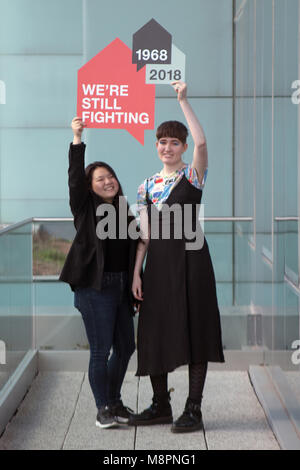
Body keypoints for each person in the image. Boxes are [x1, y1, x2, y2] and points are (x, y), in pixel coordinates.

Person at [130, 81, 225, 433]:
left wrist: (183, 101)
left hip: (193, 262)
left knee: (197, 327)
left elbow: (203, 142)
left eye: (174, 142)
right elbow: (146, 234)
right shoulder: (146, 186)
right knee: (152, 331)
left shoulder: (193, 175)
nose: (167, 147)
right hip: (159, 265)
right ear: (156, 147)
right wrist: (137, 273)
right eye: (162, 142)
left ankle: (193, 409)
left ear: (183, 147)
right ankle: (160, 405)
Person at [59, 117, 138, 429]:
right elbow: (75, 179)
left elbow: (134, 251)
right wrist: (78, 137)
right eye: (100, 178)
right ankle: (103, 407)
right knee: (101, 350)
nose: (108, 181)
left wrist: (136, 284)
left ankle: (115, 401)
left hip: (120, 288)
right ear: (90, 187)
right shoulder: (84, 207)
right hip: (95, 288)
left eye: (111, 177)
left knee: (127, 347)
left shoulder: (123, 209)